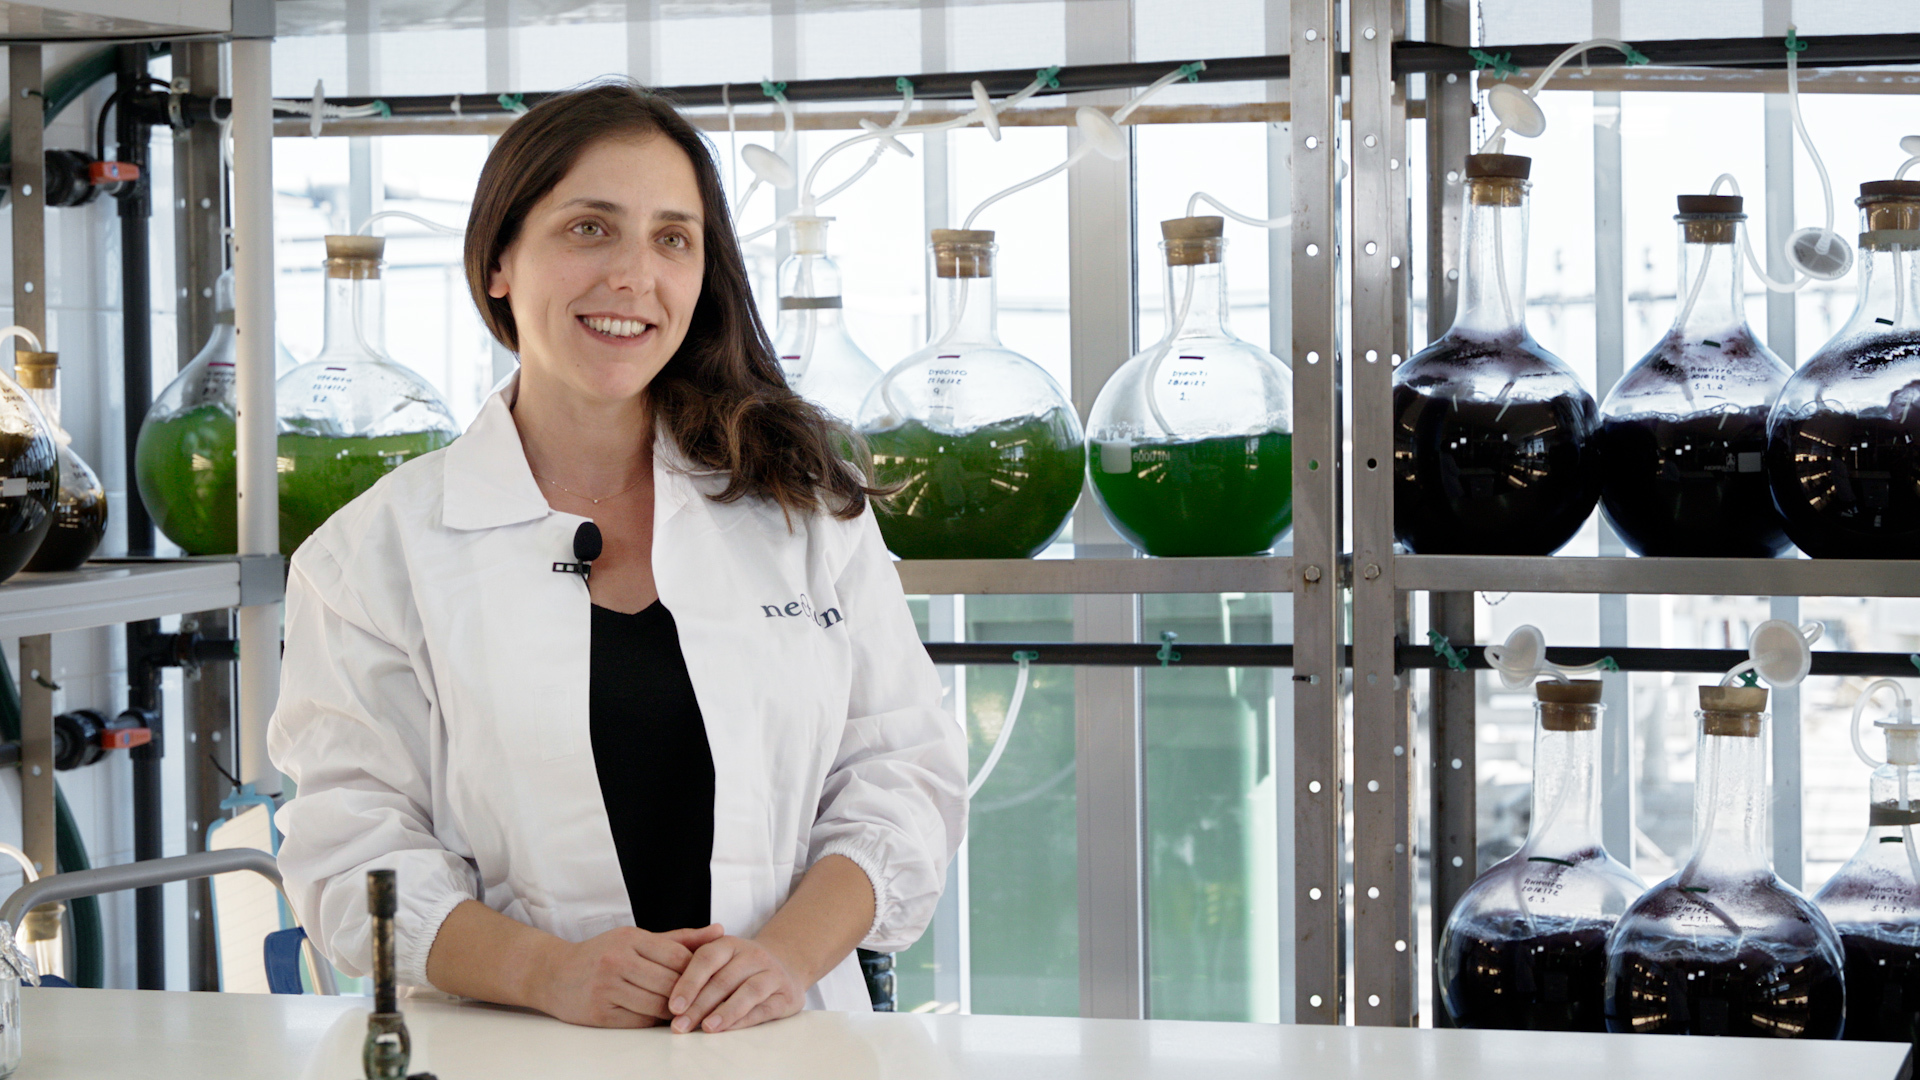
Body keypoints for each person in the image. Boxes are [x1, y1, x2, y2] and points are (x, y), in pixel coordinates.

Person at [269, 81, 966, 1034]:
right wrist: (546, 971)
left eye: (672, 238)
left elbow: (903, 776)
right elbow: (352, 859)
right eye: (589, 228)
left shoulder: (803, 508)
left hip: (781, 1042)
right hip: (512, 1046)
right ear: (500, 261)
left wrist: (782, 959)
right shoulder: (372, 555)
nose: (634, 275)